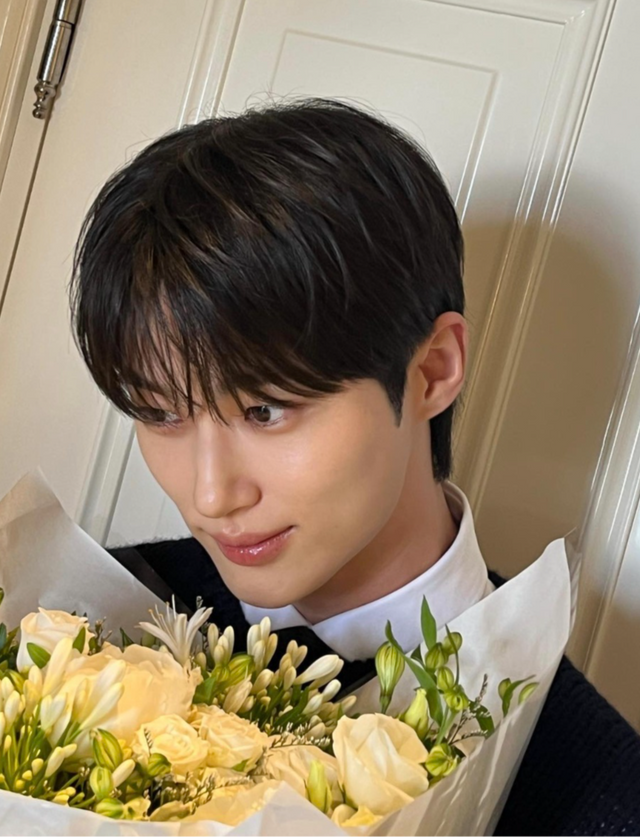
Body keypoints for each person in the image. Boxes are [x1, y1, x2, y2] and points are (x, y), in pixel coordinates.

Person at [68, 97, 640, 835]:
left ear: (431, 370)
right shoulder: (87, 626)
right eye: (160, 413)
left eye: (265, 410)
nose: (211, 494)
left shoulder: (595, 786)